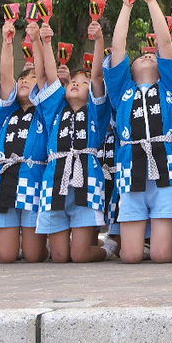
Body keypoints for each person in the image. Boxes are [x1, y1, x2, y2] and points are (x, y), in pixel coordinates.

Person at [105, 0, 172, 264]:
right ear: (129, 70)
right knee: (130, 256)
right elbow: (117, 48)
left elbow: (165, 45)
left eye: (151, 56)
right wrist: (126, 6)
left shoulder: (170, 87)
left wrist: (152, 0)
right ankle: (140, 244)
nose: (147, 56)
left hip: (167, 168)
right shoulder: (123, 91)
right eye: (140, 56)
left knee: (160, 255)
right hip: (130, 167)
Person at [34, 19, 111, 263]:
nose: (76, 83)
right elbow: (49, 76)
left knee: (79, 255)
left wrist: (99, 40)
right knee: (59, 257)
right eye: (74, 81)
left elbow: (97, 75)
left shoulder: (97, 111)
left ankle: (108, 249)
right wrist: (46, 42)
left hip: (87, 180)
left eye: (83, 83)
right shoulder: (55, 109)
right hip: (54, 180)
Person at [0, 17, 50, 263]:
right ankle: (3, 245)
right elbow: (6, 77)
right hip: (4, 181)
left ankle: (48, 244)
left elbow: (45, 75)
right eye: (22, 78)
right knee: (5, 256)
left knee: (34, 256)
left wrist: (37, 40)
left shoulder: (46, 111)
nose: (24, 80)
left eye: (31, 77)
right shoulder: (7, 111)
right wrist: (7, 42)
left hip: (32, 181)